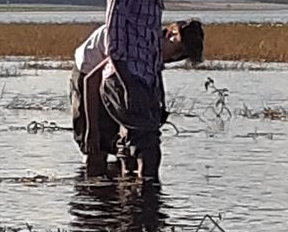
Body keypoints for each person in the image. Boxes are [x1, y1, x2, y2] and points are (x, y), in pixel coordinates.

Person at [71, 18, 204, 177]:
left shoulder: (154, 51)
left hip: (116, 78)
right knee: (96, 148)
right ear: (169, 34)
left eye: (181, 56)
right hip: (89, 70)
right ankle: (90, 185)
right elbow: (90, 81)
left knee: (124, 144)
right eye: (177, 50)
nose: (174, 58)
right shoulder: (133, 46)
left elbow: (155, 75)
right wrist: (92, 130)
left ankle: (117, 186)